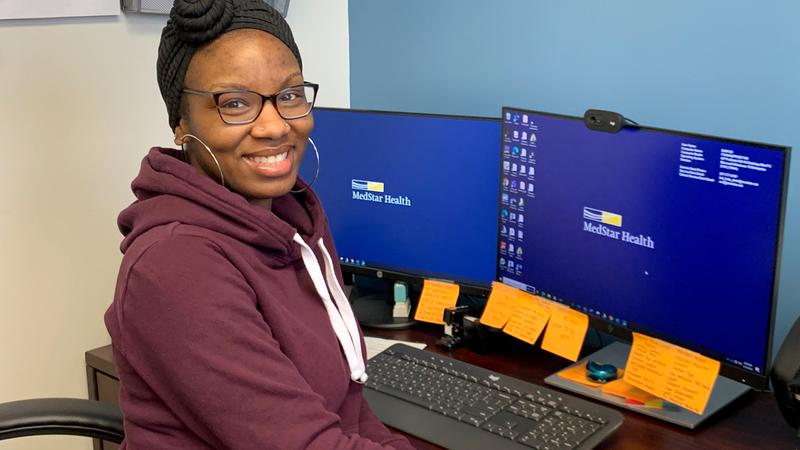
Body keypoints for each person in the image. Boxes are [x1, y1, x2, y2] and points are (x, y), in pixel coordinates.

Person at [104, 1, 416, 448]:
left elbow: (348, 405)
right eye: (235, 103)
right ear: (180, 122)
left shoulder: (293, 222)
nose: (274, 127)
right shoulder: (175, 266)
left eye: (289, 95)